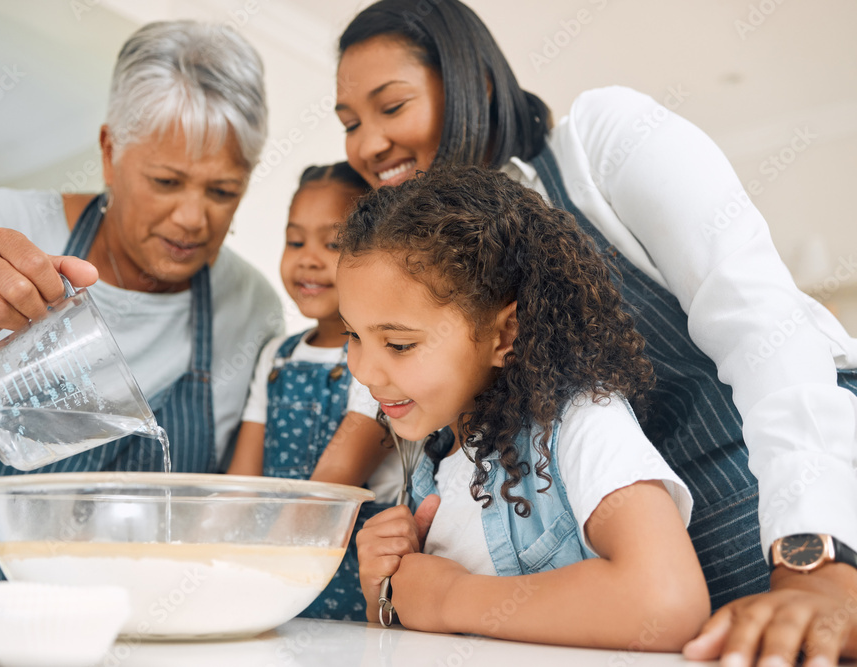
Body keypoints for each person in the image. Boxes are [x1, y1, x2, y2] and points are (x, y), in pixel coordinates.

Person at [334, 1, 857, 664]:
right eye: (348, 122)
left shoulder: (606, 142)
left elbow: (765, 330)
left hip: (816, 507)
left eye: (391, 106)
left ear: (479, 86)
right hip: (701, 573)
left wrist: (816, 560)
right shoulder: (451, 296)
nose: (365, 144)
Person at [0, 21, 282, 598]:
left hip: (134, 638)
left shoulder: (253, 308)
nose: (192, 218)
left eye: (222, 191)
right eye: (166, 180)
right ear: (110, 153)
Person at [340, 164, 709, 648]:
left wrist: (450, 596)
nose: (365, 372)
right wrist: (385, 593)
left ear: (505, 333)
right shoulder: (433, 460)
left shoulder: (580, 423)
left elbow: (668, 601)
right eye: (352, 335)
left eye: (400, 344)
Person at [227, 161, 399, 619]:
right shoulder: (276, 356)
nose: (308, 258)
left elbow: (331, 486)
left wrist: (261, 569)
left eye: (334, 243)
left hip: (348, 570)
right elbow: (242, 488)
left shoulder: (384, 358)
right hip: (271, 564)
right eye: (295, 241)